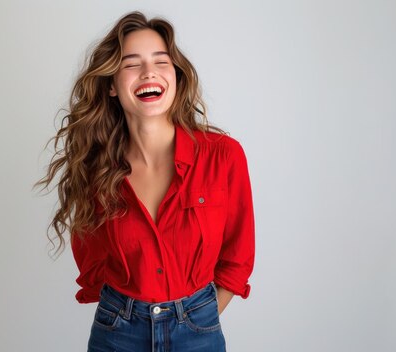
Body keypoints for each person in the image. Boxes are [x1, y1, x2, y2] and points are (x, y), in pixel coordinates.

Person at [35, 11, 255, 351]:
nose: (148, 72)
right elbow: (92, 264)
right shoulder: (95, 169)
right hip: (117, 334)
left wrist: (197, 319)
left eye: (160, 61)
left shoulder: (223, 156)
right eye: (131, 64)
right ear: (111, 85)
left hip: (198, 332)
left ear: (176, 76)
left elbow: (237, 261)